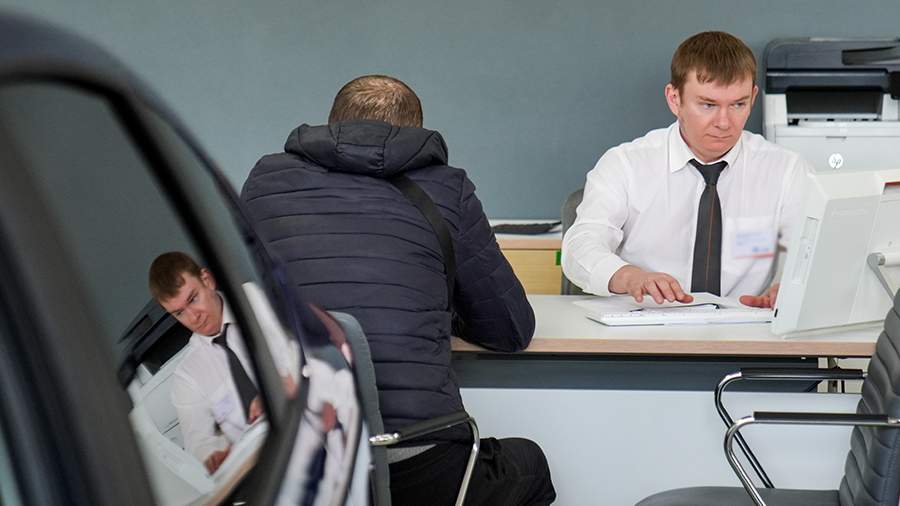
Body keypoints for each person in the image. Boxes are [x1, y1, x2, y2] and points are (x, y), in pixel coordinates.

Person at [241, 75, 555, 505]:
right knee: (529, 466)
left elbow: (244, 295)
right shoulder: (446, 187)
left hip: (302, 458)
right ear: (415, 132)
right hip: (419, 457)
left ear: (333, 123)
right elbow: (509, 329)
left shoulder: (265, 181)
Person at [562, 31, 813, 309]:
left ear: (753, 97)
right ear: (674, 99)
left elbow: (808, 252)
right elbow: (579, 248)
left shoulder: (786, 170)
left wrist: (789, 287)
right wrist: (630, 277)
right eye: (707, 105)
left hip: (748, 325)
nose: (724, 122)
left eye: (738, 105)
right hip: (647, 324)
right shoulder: (625, 165)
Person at [149, 252, 269, 473]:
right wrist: (213, 457)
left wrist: (271, 394)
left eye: (193, 299)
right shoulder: (187, 375)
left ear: (207, 280)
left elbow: (300, 356)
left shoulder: (254, 301)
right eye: (179, 313)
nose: (193, 317)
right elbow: (198, 443)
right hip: (261, 467)